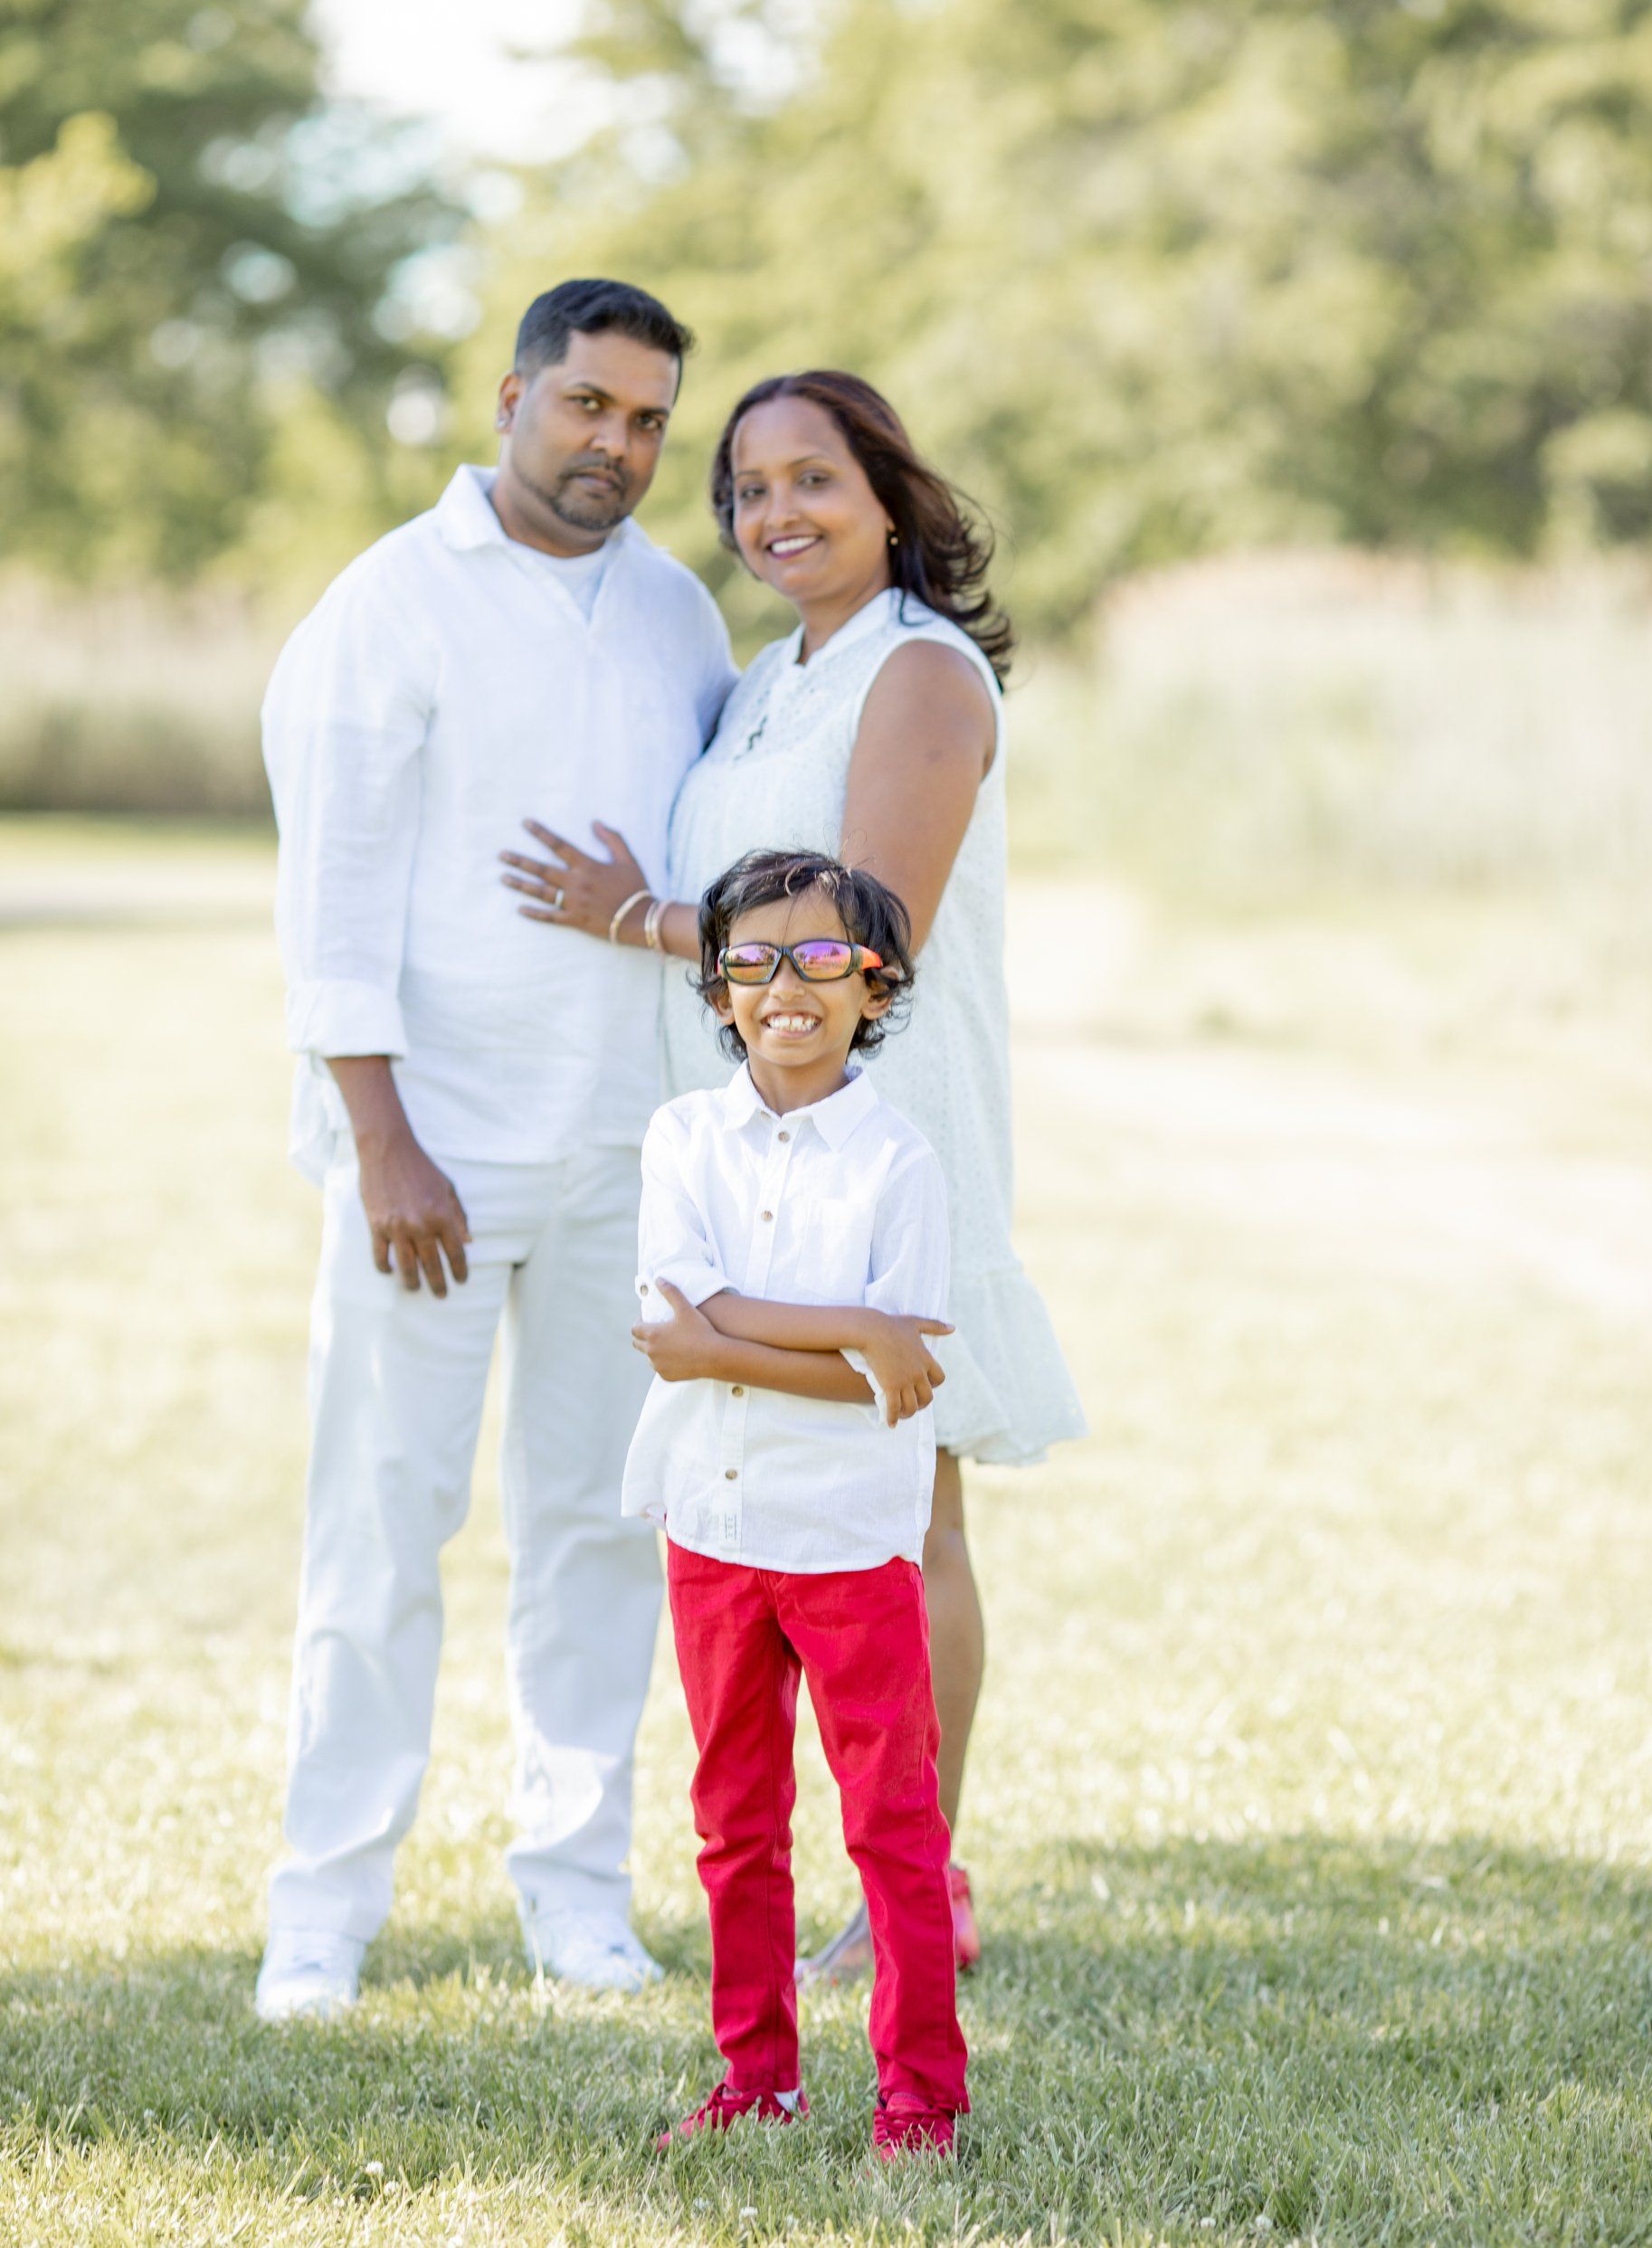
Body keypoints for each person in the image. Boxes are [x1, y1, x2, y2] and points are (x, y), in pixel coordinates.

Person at [496, 370, 1086, 1980]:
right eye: (749, 490)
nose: (777, 514)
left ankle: (921, 1893)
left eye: (811, 478)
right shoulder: (766, 682)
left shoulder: (921, 673)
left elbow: (867, 930)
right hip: (750, 1135)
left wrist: (638, 919)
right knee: (785, 1509)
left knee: (907, 1515)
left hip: (890, 1128)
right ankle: (836, 1872)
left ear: (889, 493)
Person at [254, 279, 736, 2022]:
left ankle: (576, 1896)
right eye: (590, 406)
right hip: (432, 1155)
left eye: (648, 421)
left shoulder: (680, 612)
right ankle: (322, 1912)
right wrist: (381, 1138)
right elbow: (335, 898)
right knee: (380, 1527)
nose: (617, 444)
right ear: (516, 391)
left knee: (599, 1527)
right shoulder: (390, 606)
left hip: (619, 1148)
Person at [624, 847, 968, 2158]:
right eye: (756, 960)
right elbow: (681, 1315)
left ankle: (922, 2096)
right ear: (718, 991)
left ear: (873, 988)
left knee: (892, 1824)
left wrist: (736, 1343)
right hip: (713, 1533)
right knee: (735, 1823)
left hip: (846, 1543)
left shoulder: (899, 1164)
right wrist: (843, 1329)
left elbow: (889, 1382)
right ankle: (757, 2076)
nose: (787, 984)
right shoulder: (682, 1136)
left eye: (823, 958)